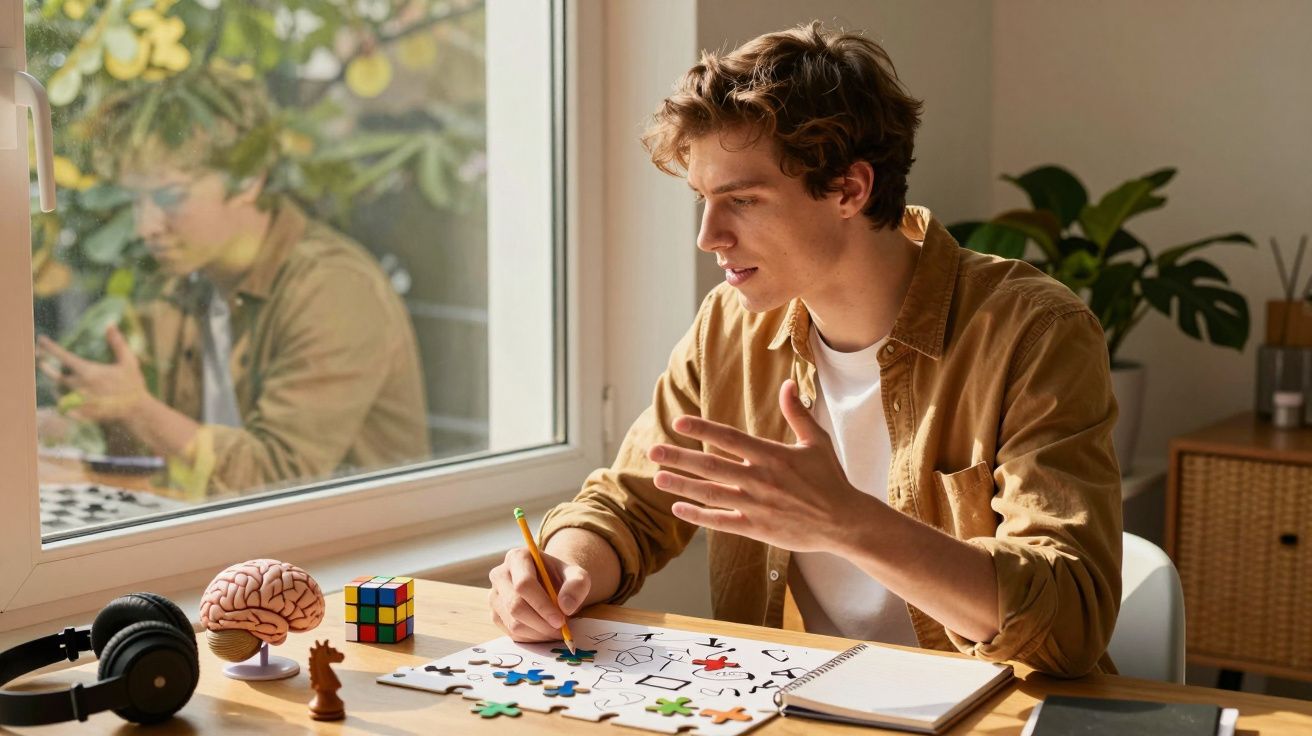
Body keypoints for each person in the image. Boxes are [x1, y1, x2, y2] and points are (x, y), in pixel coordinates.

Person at [488, 22, 1123, 678]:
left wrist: (849, 522)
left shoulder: (1033, 332)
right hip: (799, 707)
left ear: (849, 189)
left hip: (993, 709)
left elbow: (1070, 620)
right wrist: (563, 567)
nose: (708, 236)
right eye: (703, 199)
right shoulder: (728, 328)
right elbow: (630, 506)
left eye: (742, 200)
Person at [36, 69, 429, 496]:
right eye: (136, 200)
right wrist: (76, 429)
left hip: (351, 537)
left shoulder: (333, 290)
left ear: (248, 180)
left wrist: (136, 411)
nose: (145, 226)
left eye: (170, 196)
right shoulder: (184, 284)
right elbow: (179, 459)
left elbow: (279, 482)